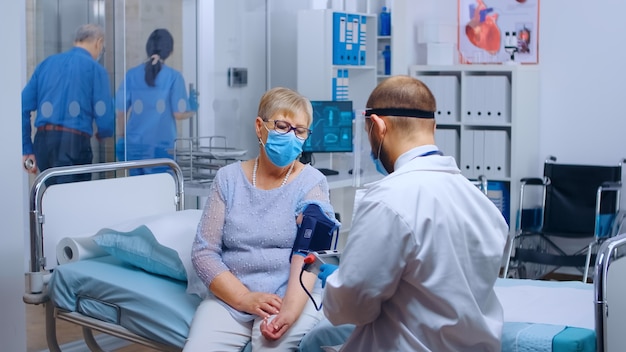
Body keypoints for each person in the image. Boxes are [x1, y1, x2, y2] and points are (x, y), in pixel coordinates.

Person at [315, 75, 509, 351]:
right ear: (433, 126)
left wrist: (335, 282)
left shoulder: (388, 199)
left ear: (378, 126)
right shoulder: (482, 204)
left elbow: (352, 308)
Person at [184, 87, 336, 351]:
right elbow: (203, 253)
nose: (291, 136)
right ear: (259, 126)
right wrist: (244, 298)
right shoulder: (228, 179)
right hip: (230, 298)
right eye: (282, 126)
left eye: (299, 131)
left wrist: (288, 312)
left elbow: (312, 253)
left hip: (290, 296)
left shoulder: (312, 182)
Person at [22, 23, 114, 184]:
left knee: (52, 198)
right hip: (74, 143)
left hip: (43, 143)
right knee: (73, 201)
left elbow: (22, 106)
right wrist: (104, 133)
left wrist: (27, 149)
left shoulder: (46, 64)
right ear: (98, 42)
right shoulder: (95, 69)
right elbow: (105, 118)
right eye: (102, 48)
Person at [115, 28, 196, 175]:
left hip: (135, 147)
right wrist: (192, 108)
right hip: (161, 149)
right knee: (159, 194)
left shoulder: (132, 74)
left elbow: (121, 112)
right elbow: (178, 113)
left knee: (136, 193)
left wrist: (122, 138)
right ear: (170, 51)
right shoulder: (173, 77)